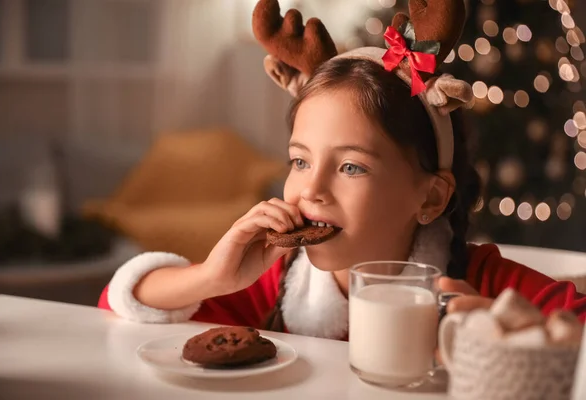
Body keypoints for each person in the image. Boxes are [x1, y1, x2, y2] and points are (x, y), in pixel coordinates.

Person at [97, 0, 586, 337]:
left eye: (351, 167)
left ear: (431, 198)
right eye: (299, 160)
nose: (311, 189)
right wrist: (211, 277)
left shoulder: (480, 281)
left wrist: (504, 331)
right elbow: (116, 302)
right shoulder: (279, 280)